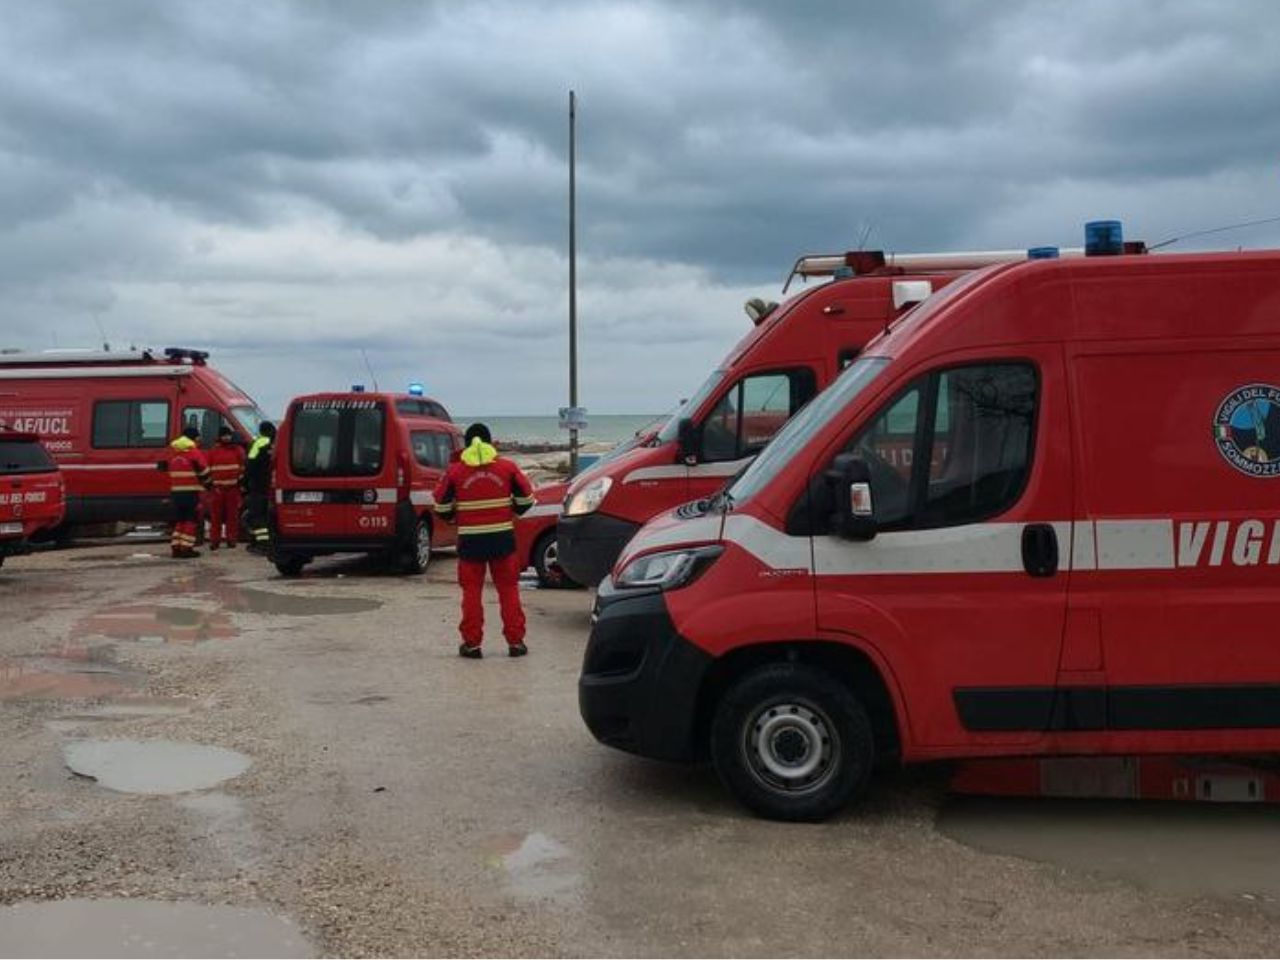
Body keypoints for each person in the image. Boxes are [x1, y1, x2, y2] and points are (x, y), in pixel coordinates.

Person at [433, 423, 535, 658]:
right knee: (508, 591)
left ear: (466, 444)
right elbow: (527, 499)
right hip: (503, 540)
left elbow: (440, 505)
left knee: (471, 593)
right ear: (491, 442)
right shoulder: (507, 468)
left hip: (470, 543)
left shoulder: (455, 472)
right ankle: (516, 643)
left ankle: (472, 645)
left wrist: (454, 518)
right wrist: (511, 512)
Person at [166, 426, 212, 559]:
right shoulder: (194, 453)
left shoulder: (173, 452)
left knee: (180, 520)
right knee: (190, 520)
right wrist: (209, 485)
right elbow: (204, 472)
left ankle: (176, 547)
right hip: (191, 492)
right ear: (194, 438)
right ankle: (186, 549)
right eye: (198, 437)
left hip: (176, 492)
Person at [207, 425, 246, 550]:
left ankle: (231, 540)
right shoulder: (213, 451)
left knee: (232, 516)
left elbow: (244, 468)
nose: (226, 437)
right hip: (218, 489)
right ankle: (215, 541)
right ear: (219, 437)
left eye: (228, 435)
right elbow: (207, 469)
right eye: (224, 435)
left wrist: (240, 482)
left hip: (232, 488)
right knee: (215, 517)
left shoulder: (238, 450)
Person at [242, 421, 276, 554]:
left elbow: (250, 465)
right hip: (274, 484)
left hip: (258, 486)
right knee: (270, 516)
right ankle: (272, 542)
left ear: (261, 431)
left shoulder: (258, 443)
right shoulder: (278, 442)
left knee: (257, 516)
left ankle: (262, 545)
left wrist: (244, 483)